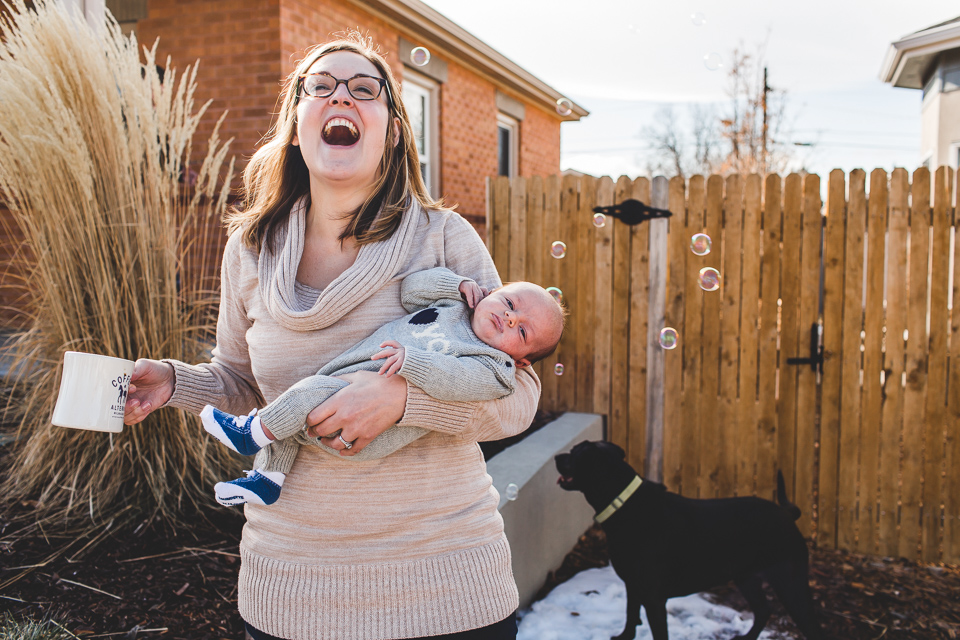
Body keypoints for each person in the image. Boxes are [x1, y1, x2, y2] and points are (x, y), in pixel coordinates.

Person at [123, 31, 542, 640]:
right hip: (294, 582)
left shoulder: (444, 237)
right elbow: (240, 382)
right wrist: (176, 383)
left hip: (446, 580)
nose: (341, 96)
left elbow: (516, 395)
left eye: (364, 89)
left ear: (392, 130)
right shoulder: (250, 249)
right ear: (296, 124)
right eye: (320, 87)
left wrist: (405, 398)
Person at [201, 267, 564, 507]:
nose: (511, 317)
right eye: (510, 302)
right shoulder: (458, 304)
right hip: (348, 377)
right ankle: (267, 480)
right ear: (492, 292)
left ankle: (251, 434)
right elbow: (411, 292)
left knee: (306, 396)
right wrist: (457, 285)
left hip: (376, 429)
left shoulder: (495, 366)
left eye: (522, 331)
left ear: (523, 362)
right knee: (296, 415)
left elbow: (459, 381)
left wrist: (412, 366)